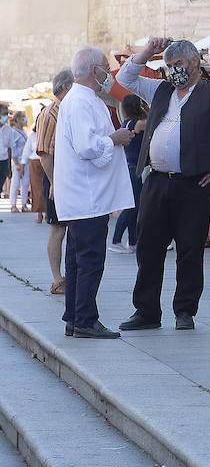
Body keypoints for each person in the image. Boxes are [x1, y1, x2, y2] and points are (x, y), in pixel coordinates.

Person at [115, 38, 210, 332]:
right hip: (157, 181)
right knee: (149, 247)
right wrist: (147, 52)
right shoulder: (161, 90)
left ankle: (184, 311)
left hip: (193, 184)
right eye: (169, 65)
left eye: (178, 65)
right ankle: (146, 311)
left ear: (194, 63)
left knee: (190, 249)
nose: (173, 70)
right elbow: (125, 77)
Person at [55, 47, 135, 338]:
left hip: (85, 196)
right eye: (105, 67)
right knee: (89, 261)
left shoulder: (83, 99)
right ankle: (85, 319)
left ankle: (74, 316)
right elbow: (87, 147)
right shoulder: (79, 101)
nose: (108, 73)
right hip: (86, 196)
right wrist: (115, 138)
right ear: (93, 71)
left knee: (78, 260)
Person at [35, 69, 74, 294]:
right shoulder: (51, 114)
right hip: (57, 179)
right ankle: (58, 279)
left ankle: (68, 276)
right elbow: (44, 153)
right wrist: (54, 183)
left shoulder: (67, 111)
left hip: (67, 177)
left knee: (69, 229)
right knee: (58, 230)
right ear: (66, 88)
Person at [110, 94, 147, 253]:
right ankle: (116, 240)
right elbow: (155, 121)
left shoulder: (127, 122)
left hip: (129, 168)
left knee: (134, 206)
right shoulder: (138, 124)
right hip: (135, 169)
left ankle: (133, 242)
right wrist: (148, 108)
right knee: (133, 206)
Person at [9, 113, 29, 213]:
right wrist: (17, 163)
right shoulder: (13, 132)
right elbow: (13, 148)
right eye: (22, 119)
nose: (25, 120)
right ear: (17, 120)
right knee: (15, 183)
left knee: (25, 183)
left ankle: (24, 204)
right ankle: (13, 205)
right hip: (17, 161)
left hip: (25, 161)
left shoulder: (23, 132)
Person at [21, 114, 40, 214]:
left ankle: (47, 213)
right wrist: (23, 164)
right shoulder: (33, 135)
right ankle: (39, 212)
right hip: (35, 163)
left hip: (46, 161)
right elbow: (27, 150)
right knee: (36, 188)